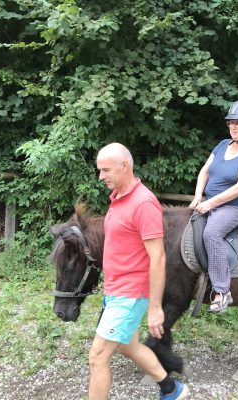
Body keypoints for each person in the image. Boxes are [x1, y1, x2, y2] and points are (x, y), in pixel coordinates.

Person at [89, 143, 189, 400]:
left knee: (98, 356)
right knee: (128, 345)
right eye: (100, 171)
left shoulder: (143, 202)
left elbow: (157, 256)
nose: (101, 176)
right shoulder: (119, 198)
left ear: (125, 166)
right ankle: (171, 388)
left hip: (130, 294)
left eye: (105, 170)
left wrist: (155, 307)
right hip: (116, 290)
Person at [189, 99, 238, 313]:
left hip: (233, 208)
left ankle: (222, 291)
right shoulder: (222, 145)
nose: (233, 127)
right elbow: (205, 170)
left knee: (211, 233)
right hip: (209, 203)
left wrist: (210, 203)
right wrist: (198, 196)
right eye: (231, 123)